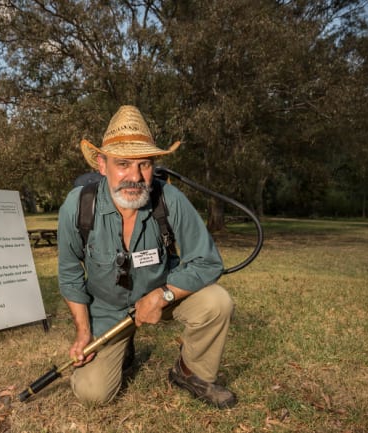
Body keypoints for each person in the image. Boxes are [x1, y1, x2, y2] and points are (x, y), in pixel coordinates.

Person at [57, 105, 237, 409]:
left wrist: (164, 295)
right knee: (93, 394)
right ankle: (122, 346)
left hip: (161, 292)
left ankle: (190, 373)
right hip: (108, 310)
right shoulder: (77, 206)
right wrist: (84, 331)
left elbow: (208, 261)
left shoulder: (170, 199)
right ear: (102, 164)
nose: (135, 177)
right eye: (123, 164)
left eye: (145, 164)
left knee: (217, 302)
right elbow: (69, 273)